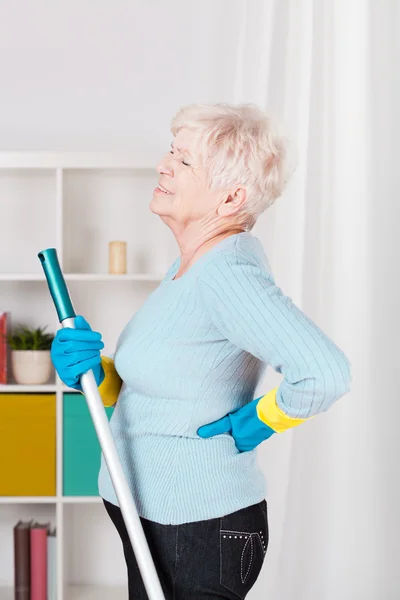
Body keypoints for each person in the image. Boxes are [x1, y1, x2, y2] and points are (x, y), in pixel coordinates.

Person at [50, 103, 352, 599]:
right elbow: (163, 386)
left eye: (184, 161)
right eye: (172, 152)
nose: (164, 165)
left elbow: (324, 373)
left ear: (231, 197)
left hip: (197, 529)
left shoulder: (226, 273)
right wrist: (92, 370)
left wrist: (260, 420)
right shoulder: (189, 266)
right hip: (153, 515)